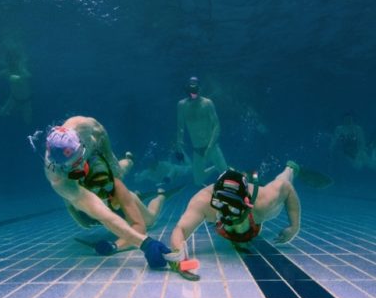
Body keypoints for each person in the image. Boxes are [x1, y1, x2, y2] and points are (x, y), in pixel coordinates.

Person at [44, 116, 171, 268]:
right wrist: (76, 215)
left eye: (80, 160)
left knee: (148, 217)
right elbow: (100, 213)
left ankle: (159, 194)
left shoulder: (83, 127)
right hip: (98, 195)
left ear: (80, 143)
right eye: (75, 165)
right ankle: (129, 174)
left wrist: (133, 244)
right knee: (98, 191)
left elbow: (139, 227)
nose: (81, 166)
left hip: (118, 192)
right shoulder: (60, 180)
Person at [164, 162, 301, 278]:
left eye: (233, 209)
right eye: (220, 205)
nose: (226, 214)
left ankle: (289, 169)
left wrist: (294, 227)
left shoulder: (263, 202)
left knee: (283, 180)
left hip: (257, 207)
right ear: (214, 197)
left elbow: (286, 187)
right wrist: (179, 256)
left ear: (246, 204)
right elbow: (181, 229)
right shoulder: (203, 201)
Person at [173, 76, 227, 186]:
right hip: (197, 149)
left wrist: (210, 147)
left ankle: (221, 169)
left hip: (212, 148)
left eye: (195, 88)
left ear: (199, 88)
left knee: (226, 176)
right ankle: (215, 168)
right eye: (191, 88)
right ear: (187, 88)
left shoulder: (207, 103)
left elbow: (216, 126)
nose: (193, 91)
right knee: (198, 181)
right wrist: (178, 145)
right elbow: (180, 127)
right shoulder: (182, 105)